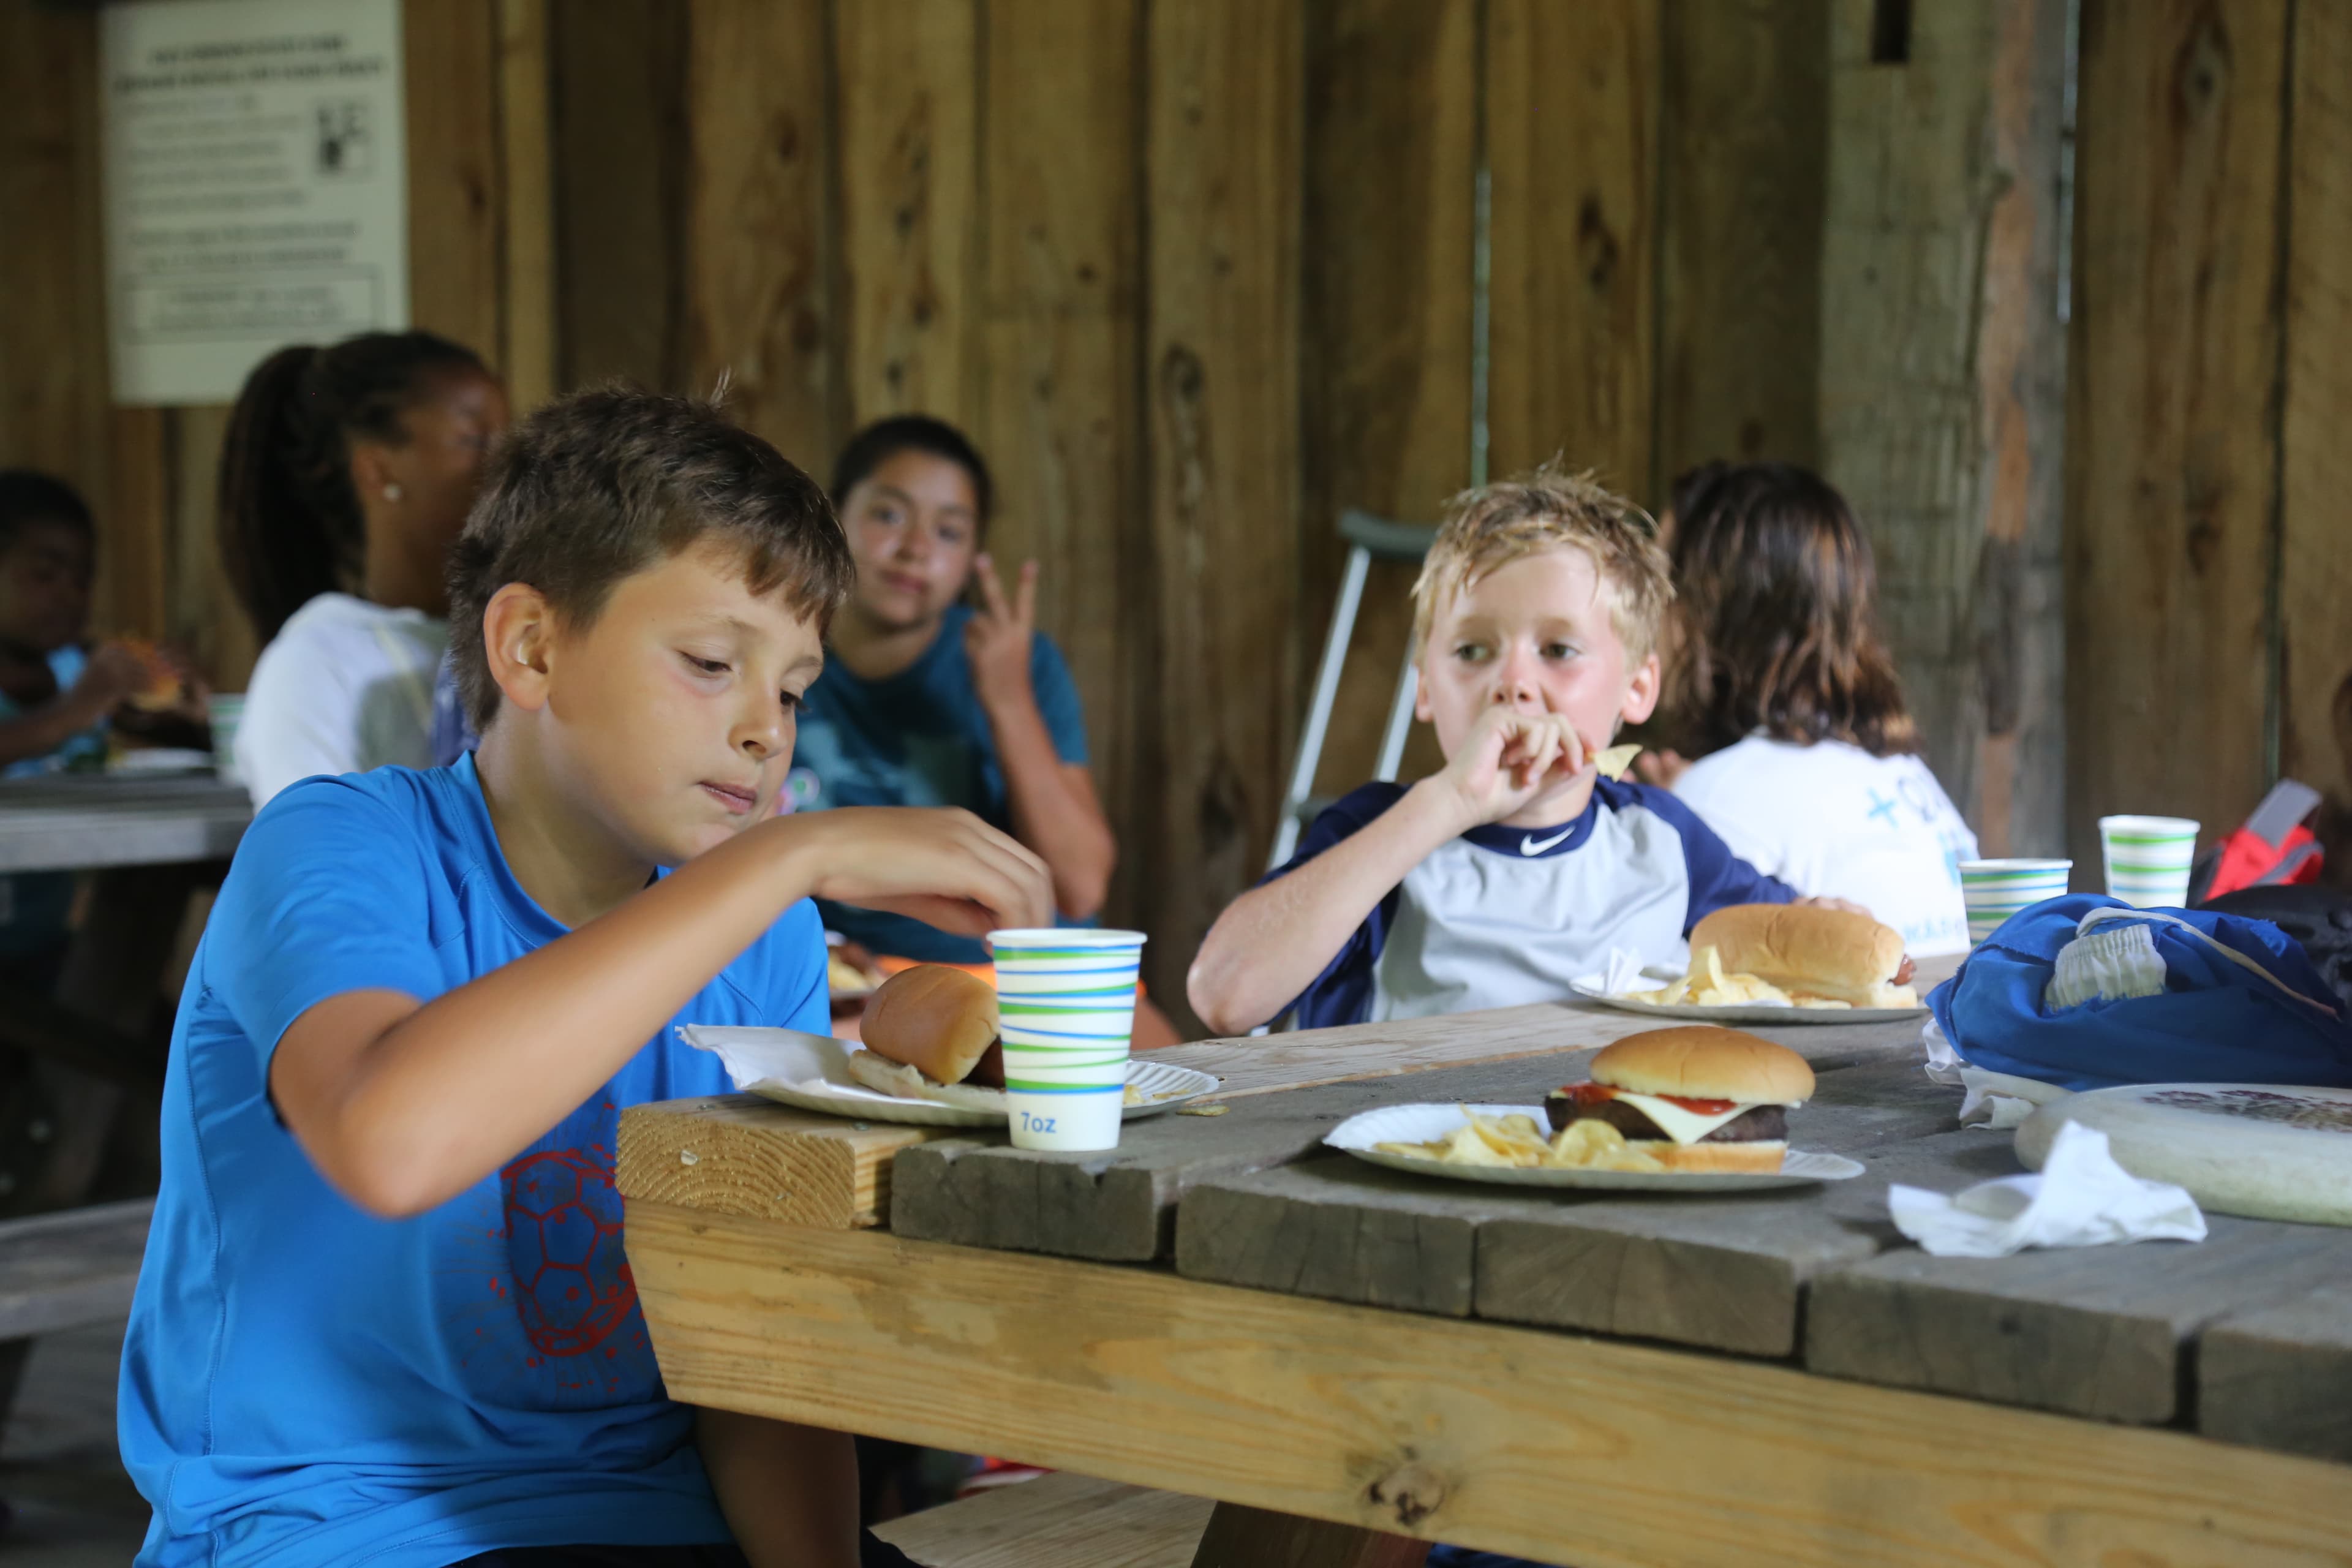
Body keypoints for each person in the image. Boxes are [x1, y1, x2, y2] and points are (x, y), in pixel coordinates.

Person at [118, 387, 1052, 1567]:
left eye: (792, 690)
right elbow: (388, 1142)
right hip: (343, 1530)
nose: (767, 729)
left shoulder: (764, 938)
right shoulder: (339, 844)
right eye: (711, 663)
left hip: (654, 1522)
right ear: (532, 647)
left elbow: (751, 1358)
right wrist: (789, 855)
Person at [1188, 464, 1811, 1036]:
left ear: (1638, 688)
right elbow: (1223, 996)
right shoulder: (1380, 837)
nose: (1511, 683)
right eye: (1472, 651)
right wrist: (1450, 801)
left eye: (1558, 650)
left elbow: (1793, 946)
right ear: (1424, 687)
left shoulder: (1665, 841)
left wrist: (1825, 916)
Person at [789, 417, 1112, 962]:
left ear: (971, 560)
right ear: (833, 516)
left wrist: (1008, 700)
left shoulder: (1021, 662)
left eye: (949, 532)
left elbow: (1081, 887)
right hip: (849, 979)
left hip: (1020, 975)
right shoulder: (777, 651)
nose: (915, 549)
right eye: (889, 515)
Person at [1642, 462, 1978, 957]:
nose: (1645, 610)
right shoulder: (1897, 767)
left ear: (1709, 609)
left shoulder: (1721, 796)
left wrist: (1680, 821)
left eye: (1658, 581)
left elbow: (1660, 984)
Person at [218, 330, 511, 805]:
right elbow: (311, 844)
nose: (508, 465)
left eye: (510, 439)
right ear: (378, 470)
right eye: (474, 441)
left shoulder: (513, 632)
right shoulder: (318, 663)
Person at [0, 472, 203, 979]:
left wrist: (188, 710)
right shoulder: (84, 689)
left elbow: (177, 739)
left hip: (41, 947)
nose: (70, 595)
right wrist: (76, 710)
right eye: (45, 575)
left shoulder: (77, 668)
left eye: (83, 579)